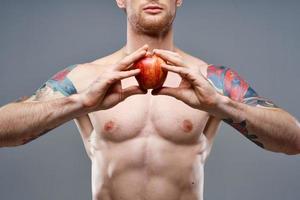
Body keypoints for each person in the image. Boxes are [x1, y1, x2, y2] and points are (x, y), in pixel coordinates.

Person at [0, 0, 299, 199]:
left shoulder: (211, 80)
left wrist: (219, 105)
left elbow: (294, 140)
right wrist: (81, 103)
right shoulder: (86, 78)